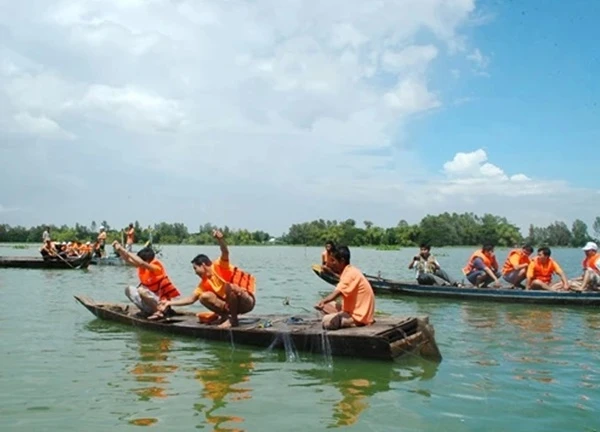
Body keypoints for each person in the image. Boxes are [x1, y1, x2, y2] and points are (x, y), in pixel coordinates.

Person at [158, 230, 256, 328]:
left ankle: (233, 320)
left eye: (195, 268)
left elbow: (225, 251)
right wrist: (169, 302)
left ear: (203, 265)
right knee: (203, 297)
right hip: (231, 306)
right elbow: (190, 299)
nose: (195, 272)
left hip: (246, 302)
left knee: (229, 287)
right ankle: (225, 317)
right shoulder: (204, 283)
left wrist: (220, 240)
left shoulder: (219, 265)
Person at [112, 241, 181, 319]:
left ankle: (159, 312)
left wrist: (123, 249)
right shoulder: (143, 267)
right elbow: (128, 259)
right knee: (128, 289)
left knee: (142, 290)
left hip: (162, 304)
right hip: (150, 301)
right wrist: (119, 250)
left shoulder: (156, 267)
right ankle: (147, 311)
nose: (137, 261)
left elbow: (141, 263)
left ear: (147, 260)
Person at [315, 245, 375, 331]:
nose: (331, 263)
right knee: (326, 307)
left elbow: (336, 294)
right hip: (353, 310)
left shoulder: (349, 274)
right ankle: (341, 317)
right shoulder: (350, 270)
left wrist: (322, 301)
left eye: (333, 260)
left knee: (327, 322)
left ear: (342, 261)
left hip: (359, 316)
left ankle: (352, 321)